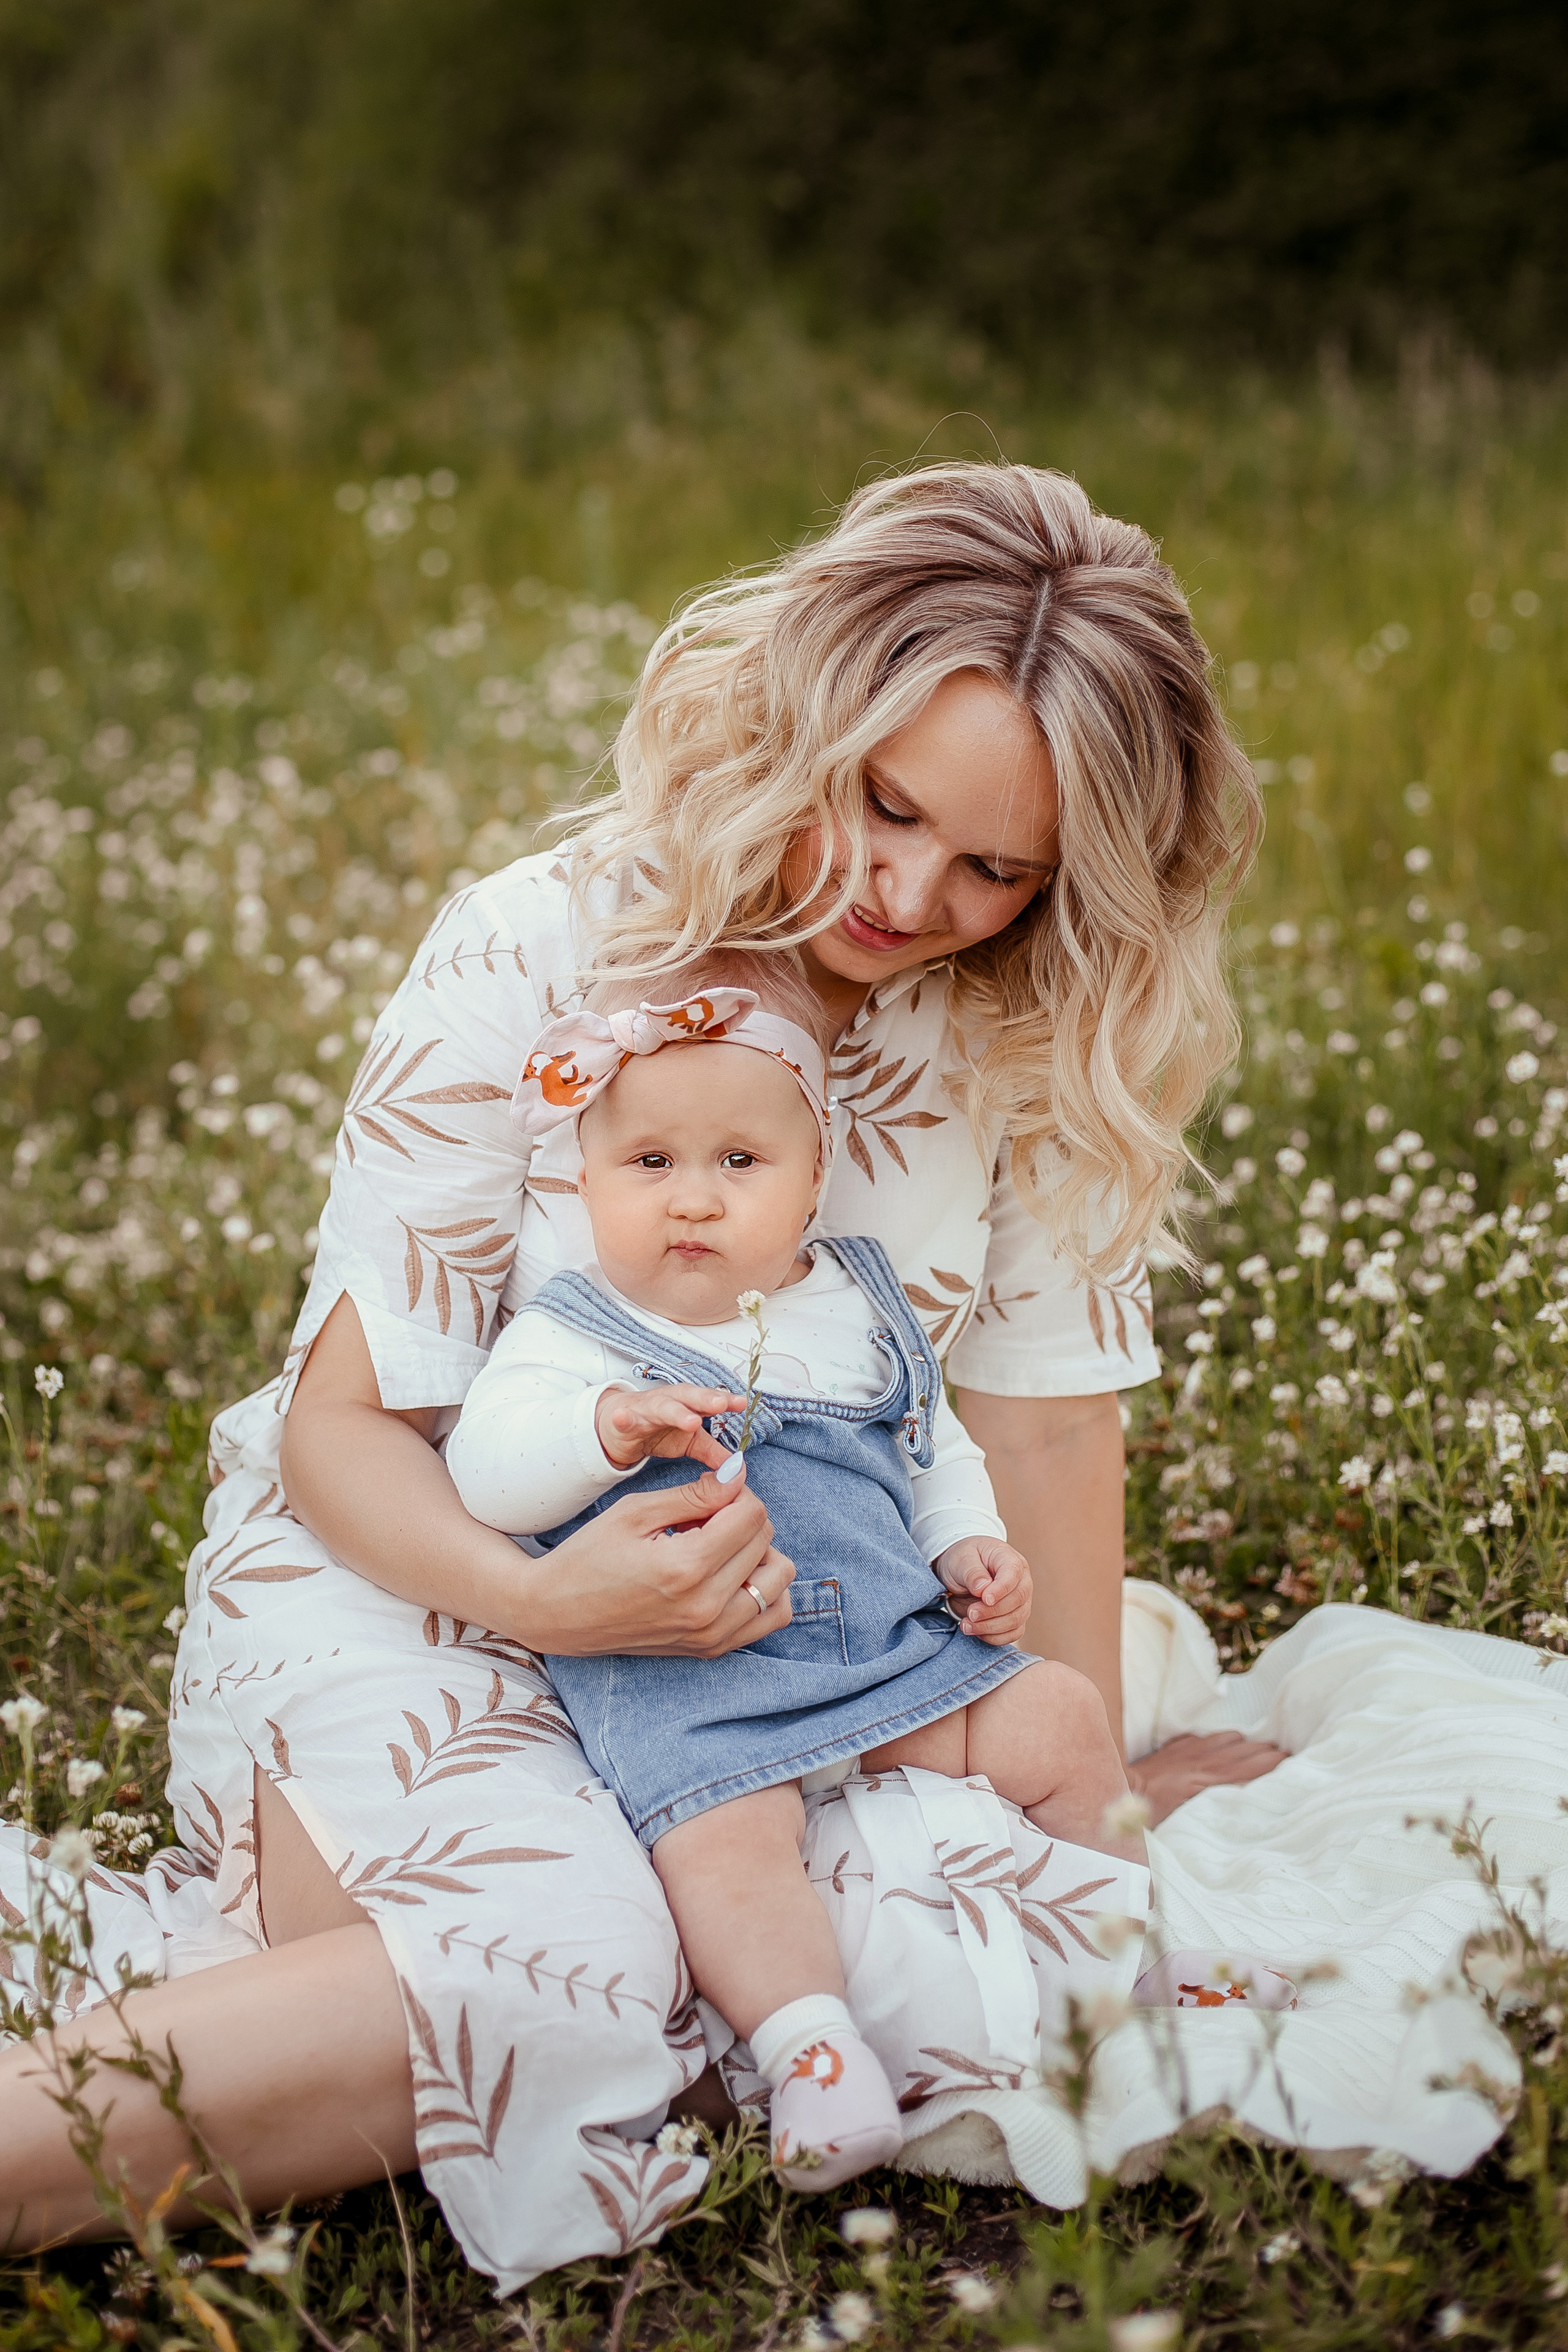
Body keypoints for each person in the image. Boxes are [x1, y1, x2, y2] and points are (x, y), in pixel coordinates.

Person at [0, 462, 1286, 2284]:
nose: (909, 892)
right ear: (807, 719)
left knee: (792, 1965)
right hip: (421, 1567)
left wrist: (1094, 1788)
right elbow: (347, 1426)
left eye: (996, 867)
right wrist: (550, 1596)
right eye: (884, 805)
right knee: (576, 1982)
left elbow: (1049, 1421)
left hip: (795, 1631)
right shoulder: (544, 937)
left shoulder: (1032, 1041)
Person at [447, 963, 1155, 2192]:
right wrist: (600, 1431)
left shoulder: (856, 1304)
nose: (694, 1201)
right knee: (721, 1845)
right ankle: (812, 2049)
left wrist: (964, 1547)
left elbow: (930, 1449)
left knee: (1062, 1715)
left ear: (812, 1179)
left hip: (890, 1646)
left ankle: (1132, 1962)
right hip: (699, 1678)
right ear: (584, 1184)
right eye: (649, 1165)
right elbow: (489, 1476)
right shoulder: (571, 1334)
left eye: (739, 1164)